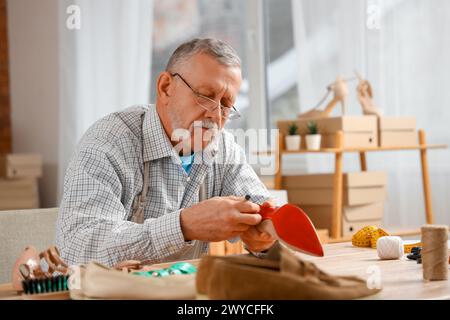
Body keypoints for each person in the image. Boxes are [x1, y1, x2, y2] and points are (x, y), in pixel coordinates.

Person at [56, 38, 276, 266]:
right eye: (205, 96)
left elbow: (266, 215)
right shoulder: (109, 141)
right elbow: (77, 247)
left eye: (226, 104)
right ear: (165, 88)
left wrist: (267, 237)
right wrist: (183, 226)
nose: (216, 116)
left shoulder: (225, 149)